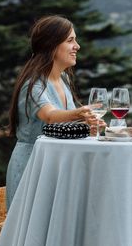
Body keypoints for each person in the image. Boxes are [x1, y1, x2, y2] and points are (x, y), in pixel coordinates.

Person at [6, 15, 96, 208]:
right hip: (32, 167)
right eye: (70, 40)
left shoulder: (64, 80)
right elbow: (49, 116)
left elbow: (65, 126)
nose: (77, 46)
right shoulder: (33, 83)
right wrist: (80, 113)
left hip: (58, 168)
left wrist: (88, 125)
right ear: (52, 45)